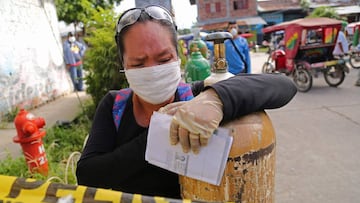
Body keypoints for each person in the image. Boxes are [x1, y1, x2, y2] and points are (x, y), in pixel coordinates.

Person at [76, 5, 297, 199]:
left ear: (179, 55)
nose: (153, 70)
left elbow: (283, 86)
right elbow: (88, 175)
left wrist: (215, 99)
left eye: (163, 59)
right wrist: (161, 132)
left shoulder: (197, 97)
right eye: (138, 63)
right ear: (123, 63)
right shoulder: (115, 105)